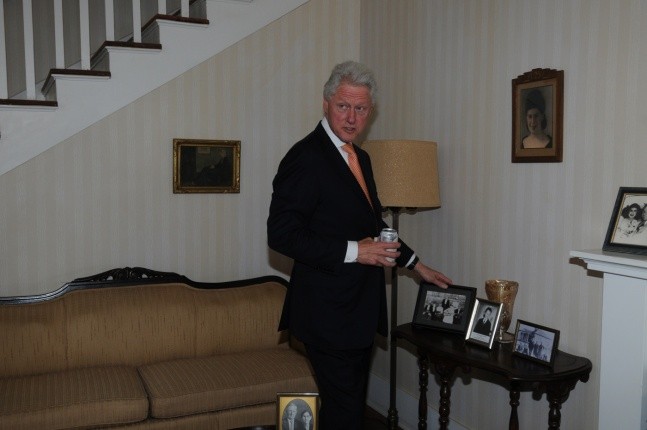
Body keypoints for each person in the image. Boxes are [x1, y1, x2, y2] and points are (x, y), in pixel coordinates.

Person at [267, 60, 452, 429]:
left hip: (359, 312)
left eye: (361, 109)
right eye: (343, 106)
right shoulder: (305, 156)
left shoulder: (360, 157)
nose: (351, 117)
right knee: (346, 413)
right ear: (325, 103)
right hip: (326, 314)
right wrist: (356, 250)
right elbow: (281, 234)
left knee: (346, 409)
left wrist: (416, 264)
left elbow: (373, 225)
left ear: (371, 111)